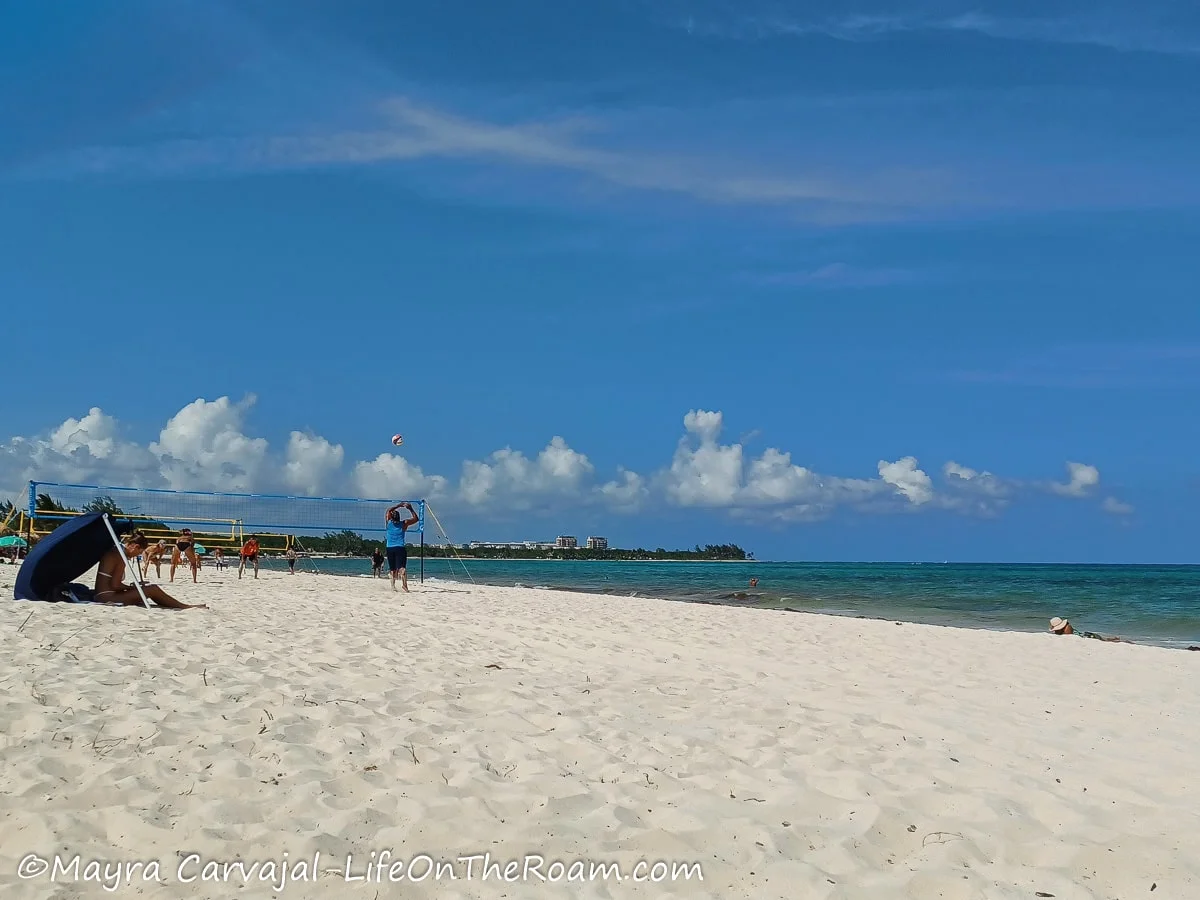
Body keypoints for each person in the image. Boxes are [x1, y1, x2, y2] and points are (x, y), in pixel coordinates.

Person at [95, 531, 206, 609]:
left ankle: (181, 605)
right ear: (135, 546)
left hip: (102, 594)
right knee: (153, 589)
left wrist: (133, 587)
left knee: (147, 589)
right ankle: (184, 607)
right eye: (138, 552)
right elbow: (115, 585)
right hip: (107, 597)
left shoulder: (116, 551)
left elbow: (113, 583)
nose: (136, 556)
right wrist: (134, 587)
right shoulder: (121, 556)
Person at [385, 501, 419, 592]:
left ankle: (393, 586)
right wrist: (410, 508)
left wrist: (398, 505)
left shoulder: (388, 523)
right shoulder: (404, 523)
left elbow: (388, 510)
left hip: (390, 548)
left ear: (391, 517)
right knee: (402, 568)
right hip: (400, 548)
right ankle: (404, 586)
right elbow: (416, 519)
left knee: (393, 569)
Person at [1049, 617, 1130, 643]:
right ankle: (1115, 638)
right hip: (1087, 635)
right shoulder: (1066, 627)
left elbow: (1068, 637)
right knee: (1106, 640)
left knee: (1106, 641)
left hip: (1089, 637)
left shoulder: (1067, 628)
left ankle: (1123, 641)